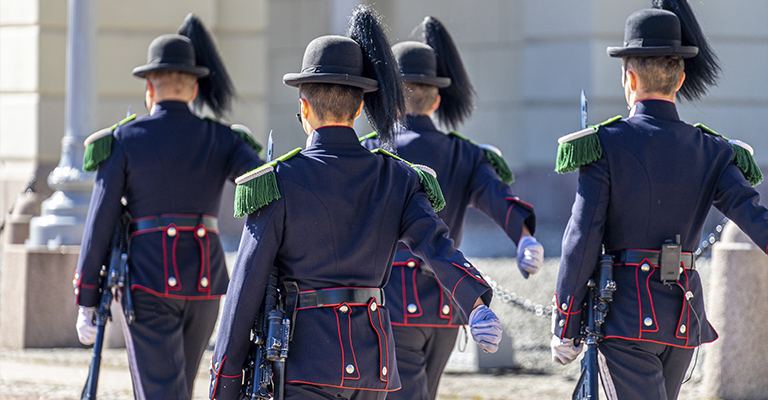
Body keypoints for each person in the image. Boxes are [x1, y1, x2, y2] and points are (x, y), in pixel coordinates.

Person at [209, 6, 503, 400]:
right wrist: (476, 303)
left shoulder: (278, 182)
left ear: (304, 107)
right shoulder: (398, 177)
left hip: (303, 362)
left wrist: (224, 383)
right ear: (361, 106)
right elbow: (437, 246)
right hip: (373, 364)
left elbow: (244, 291)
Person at [550, 1, 768, 399]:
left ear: (628, 79)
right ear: (681, 79)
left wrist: (565, 325)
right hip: (681, 321)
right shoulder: (714, 151)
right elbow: (756, 218)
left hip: (624, 316)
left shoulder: (605, 145)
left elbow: (580, 239)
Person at [73, 14, 263, 400]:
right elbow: (264, 184)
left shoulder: (124, 140)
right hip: (206, 284)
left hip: (148, 280)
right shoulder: (223, 139)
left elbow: (100, 221)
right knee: (179, 388)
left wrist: (87, 297)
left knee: (162, 391)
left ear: (149, 89)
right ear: (194, 90)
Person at [360, 16, 543, 400]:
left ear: (390, 98)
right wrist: (524, 238)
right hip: (449, 302)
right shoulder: (465, 153)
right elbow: (498, 197)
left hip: (393, 301)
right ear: (438, 99)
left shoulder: (374, 152)